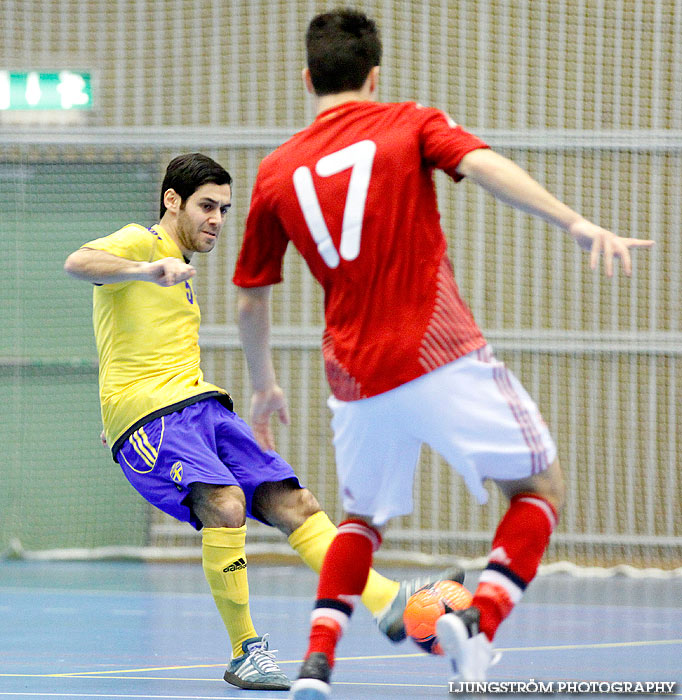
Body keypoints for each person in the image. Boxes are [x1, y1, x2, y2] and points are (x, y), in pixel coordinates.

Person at [231, 9, 655, 698]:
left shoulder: (276, 171)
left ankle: (317, 661)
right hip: (438, 352)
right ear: (375, 73)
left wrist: (264, 385)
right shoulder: (408, 121)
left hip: (353, 376)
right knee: (539, 488)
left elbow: (251, 299)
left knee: (362, 522)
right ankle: (479, 627)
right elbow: (484, 166)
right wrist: (574, 222)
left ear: (307, 78)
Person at [63, 152, 462, 692]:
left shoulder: (182, 269)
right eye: (207, 206)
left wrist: (261, 388)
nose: (217, 219)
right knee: (226, 505)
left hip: (202, 407)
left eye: (225, 209)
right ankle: (246, 651)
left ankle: (387, 600)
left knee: (297, 504)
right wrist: (144, 269)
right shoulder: (142, 243)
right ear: (171, 201)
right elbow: (79, 262)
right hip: (152, 418)